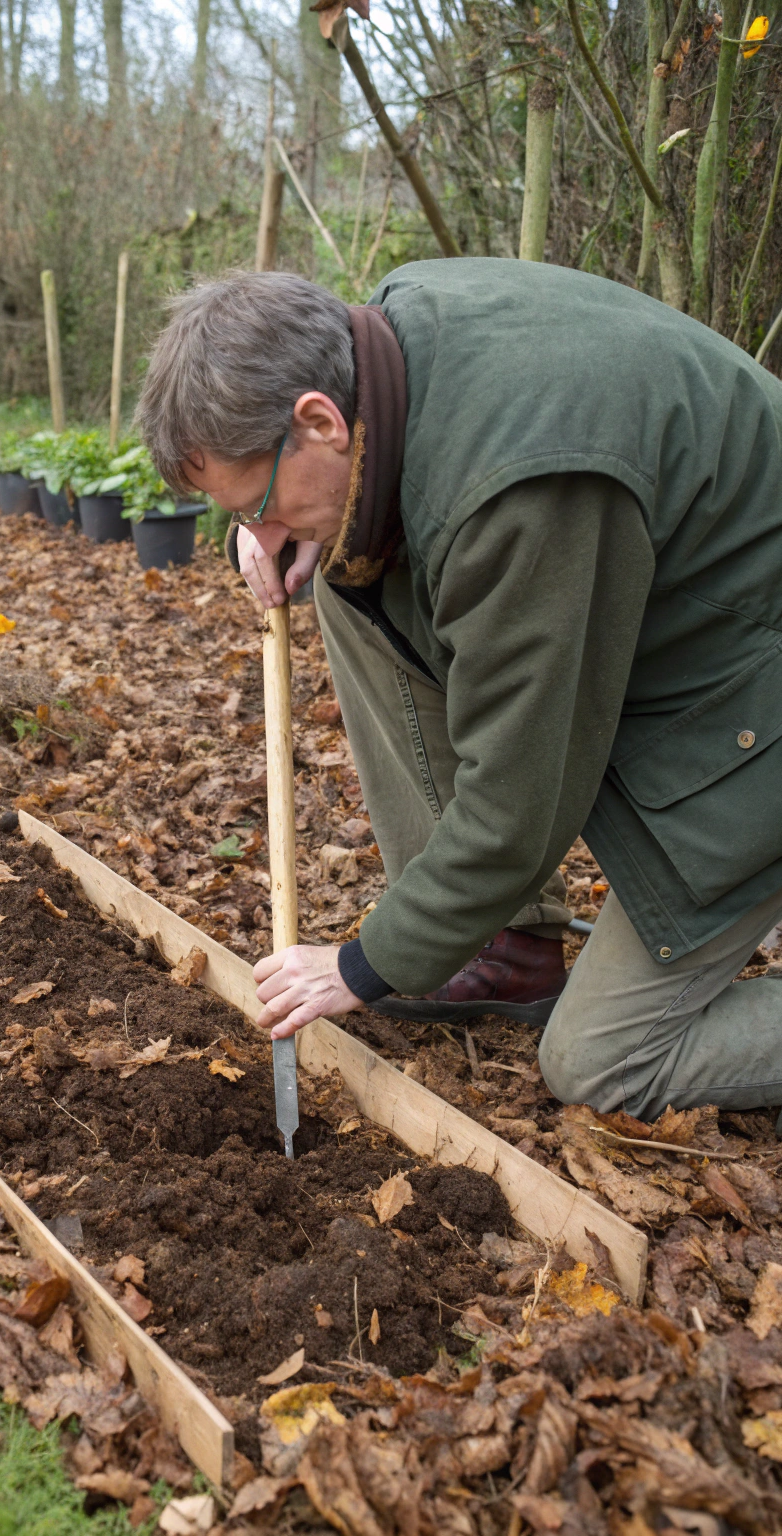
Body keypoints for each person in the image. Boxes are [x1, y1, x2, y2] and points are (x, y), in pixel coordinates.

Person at [135, 260, 782, 1122]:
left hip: (755, 700)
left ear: (320, 421)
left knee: (603, 1064)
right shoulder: (392, 336)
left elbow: (520, 802)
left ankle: (474, 916)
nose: (257, 530)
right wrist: (276, 523)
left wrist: (365, 964)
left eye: (256, 501)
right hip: (711, 623)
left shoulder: (522, 493)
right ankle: (500, 939)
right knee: (347, 571)